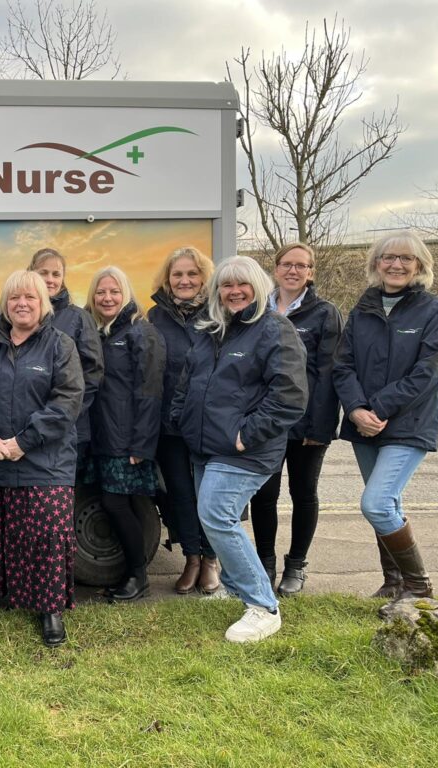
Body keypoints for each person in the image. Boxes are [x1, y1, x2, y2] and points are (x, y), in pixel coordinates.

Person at [170, 256, 307, 643]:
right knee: (214, 520)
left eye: (241, 284)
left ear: (259, 287)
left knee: (216, 516)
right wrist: (181, 417)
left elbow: (290, 395)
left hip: (244, 450)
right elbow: (188, 381)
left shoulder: (274, 330)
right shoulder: (212, 330)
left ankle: (264, 606)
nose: (234, 292)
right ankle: (235, 586)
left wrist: (247, 434)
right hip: (205, 446)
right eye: (226, 286)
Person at [0, 270, 84, 647]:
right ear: (6, 304)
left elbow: (66, 402)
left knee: (46, 535)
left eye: (30, 297)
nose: (22, 304)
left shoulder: (60, 345)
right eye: (14, 298)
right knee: (2, 532)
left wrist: (22, 442)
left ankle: (50, 611)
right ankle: (5, 595)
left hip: (47, 463)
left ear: (43, 302)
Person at [334, 231, 438, 600]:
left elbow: (429, 373)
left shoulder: (435, 310)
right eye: (388, 257)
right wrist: (355, 410)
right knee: (388, 504)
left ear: (419, 266)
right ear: (376, 263)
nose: (396, 265)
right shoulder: (362, 309)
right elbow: (343, 365)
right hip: (365, 425)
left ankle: (419, 587)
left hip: (409, 423)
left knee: (376, 503)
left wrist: (378, 408)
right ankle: (394, 582)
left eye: (406, 259)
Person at [249, 243, 342, 596]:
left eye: (301, 266)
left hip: (307, 427)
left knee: (303, 493)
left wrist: (320, 427)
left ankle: (296, 565)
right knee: (263, 495)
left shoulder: (324, 313)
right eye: (287, 264)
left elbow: (329, 372)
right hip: (267, 422)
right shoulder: (259, 308)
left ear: (311, 272)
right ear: (275, 269)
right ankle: (264, 562)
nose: (293, 271)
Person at [86, 266, 166, 602]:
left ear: (126, 295)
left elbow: (150, 391)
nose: (107, 298)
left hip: (128, 440)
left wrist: (142, 444)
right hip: (106, 436)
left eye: (114, 292)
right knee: (122, 504)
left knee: (117, 504)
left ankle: (138, 576)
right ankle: (131, 573)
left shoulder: (140, 332)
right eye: (101, 292)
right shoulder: (102, 333)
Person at [147, 247, 220, 595]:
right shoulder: (155, 317)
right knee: (179, 492)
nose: (185, 280)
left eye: (192, 274)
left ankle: (210, 559)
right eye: (178, 275)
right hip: (168, 423)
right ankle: (191, 556)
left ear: (203, 278)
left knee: (209, 492)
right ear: (168, 279)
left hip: (207, 423)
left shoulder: (219, 315)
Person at [29, 248, 104, 475]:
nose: (50, 280)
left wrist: (65, 413)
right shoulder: (18, 314)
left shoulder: (79, 318)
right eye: (44, 273)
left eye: (56, 274)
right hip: (25, 429)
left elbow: (93, 373)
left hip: (68, 430)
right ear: (31, 273)